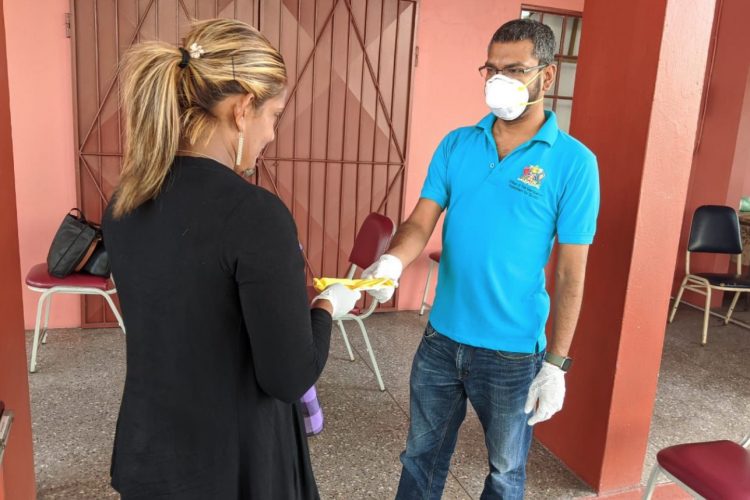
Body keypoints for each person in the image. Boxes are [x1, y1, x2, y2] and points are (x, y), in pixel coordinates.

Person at [102, 19, 360, 500]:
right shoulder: (254, 214)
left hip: (150, 450)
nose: (271, 134)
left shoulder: (125, 201)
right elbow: (288, 375)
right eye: (274, 116)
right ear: (243, 109)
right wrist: (327, 308)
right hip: (235, 462)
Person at [363, 19, 600, 499]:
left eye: (515, 69)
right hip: (441, 340)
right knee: (420, 458)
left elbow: (572, 271)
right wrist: (391, 264)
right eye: (491, 69)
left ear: (546, 77)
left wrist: (556, 363)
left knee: (506, 471)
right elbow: (419, 223)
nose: (498, 81)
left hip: (513, 354)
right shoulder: (458, 144)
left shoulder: (574, 163)